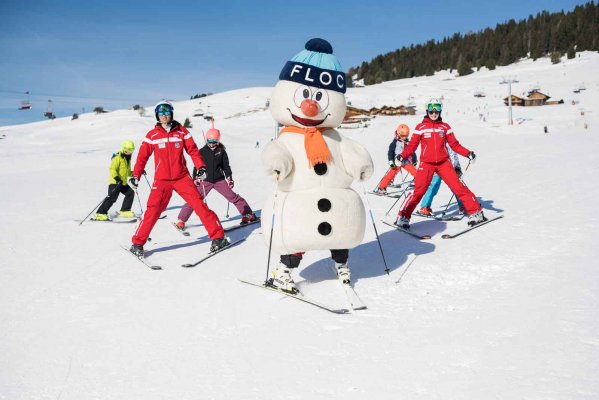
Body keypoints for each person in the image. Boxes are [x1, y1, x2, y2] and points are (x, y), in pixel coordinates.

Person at [128, 101, 228, 257]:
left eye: (167, 112)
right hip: (161, 180)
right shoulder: (152, 136)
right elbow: (142, 158)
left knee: (199, 205)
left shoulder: (181, 132)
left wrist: (200, 166)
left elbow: (193, 151)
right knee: (152, 210)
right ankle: (138, 243)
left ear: (171, 113)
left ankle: (218, 237)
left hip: (182, 178)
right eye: (161, 113)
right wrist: (136, 175)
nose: (164, 115)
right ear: (157, 115)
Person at [395, 98, 484, 228]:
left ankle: (476, 212)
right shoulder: (420, 128)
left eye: (437, 108)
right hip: (426, 164)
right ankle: (403, 217)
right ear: (427, 110)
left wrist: (468, 153)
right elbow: (412, 146)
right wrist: (402, 156)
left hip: (443, 163)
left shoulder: (445, 127)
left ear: (440, 110)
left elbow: (455, 145)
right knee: (418, 191)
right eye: (431, 109)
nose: (434, 112)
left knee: (458, 187)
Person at [175, 126, 258, 230]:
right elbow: (197, 166)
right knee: (194, 199)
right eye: (209, 141)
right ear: (206, 139)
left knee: (233, 197)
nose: (211, 143)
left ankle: (248, 214)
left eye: (214, 141)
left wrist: (229, 178)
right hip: (205, 181)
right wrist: (195, 178)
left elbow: (226, 166)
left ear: (218, 141)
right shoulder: (201, 151)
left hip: (219, 180)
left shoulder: (221, 151)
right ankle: (181, 220)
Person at [416, 144, 464, 216]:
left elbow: (453, 154)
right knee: (434, 185)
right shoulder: (432, 139)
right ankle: (425, 207)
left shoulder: (447, 140)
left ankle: (463, 204)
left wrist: (457, 167)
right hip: (435, 167)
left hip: (448, 168)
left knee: (456, 186)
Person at [95, 140, 136, 221]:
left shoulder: (128, 159)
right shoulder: (117, 158)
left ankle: (125, 210)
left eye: (132, 150)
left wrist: (138, 172)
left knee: (130, 193)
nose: (131, 152)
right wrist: (117, 178)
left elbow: (128, 172)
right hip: (115, 182)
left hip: (123, 183)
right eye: (129, 150)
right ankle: (100, 214)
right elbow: (112, 169)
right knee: (112, 198)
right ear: (124, 149)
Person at [374, 124, 417, 194]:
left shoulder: (408, 143)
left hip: (406, 162)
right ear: (398, 133)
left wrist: (414, 160)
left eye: (406, 135)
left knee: (415, 171)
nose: (404, 137)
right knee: (390, 175)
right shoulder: (394, 143)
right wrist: (391, 162)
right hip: (396, 162)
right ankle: (381, 188)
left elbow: (412, 152)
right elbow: (390, 152)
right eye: (403, 136)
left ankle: (418, 182)